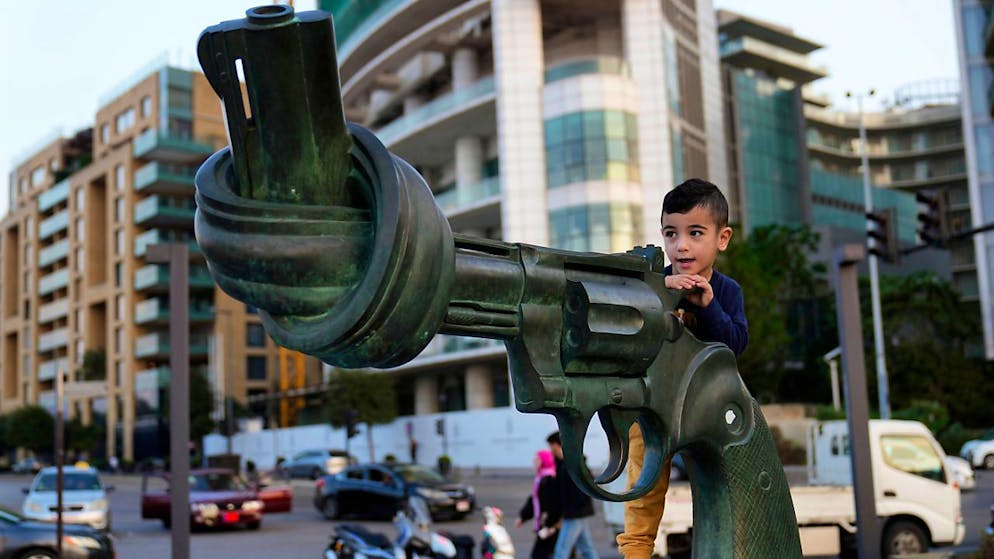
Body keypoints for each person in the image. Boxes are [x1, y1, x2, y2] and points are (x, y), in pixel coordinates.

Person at [616, 178, 749, 559]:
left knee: (724, 483)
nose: (681, 245)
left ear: (722, 239)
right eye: (671, 233)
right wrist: (661, 294)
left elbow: (735, 345)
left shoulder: (727, 291)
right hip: (656, 405)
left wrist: (709, 306)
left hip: (707, 409)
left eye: (695, 232)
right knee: (643, 485)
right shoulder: (653, 283)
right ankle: (636, 552)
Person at [547, 432, 599, 559]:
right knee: (586, 549)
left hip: (574, 514)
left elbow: (583, 490)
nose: (551, 450)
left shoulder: (574, 466)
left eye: (552, 446)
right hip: (576, 513)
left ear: (559, 445)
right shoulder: (565, 465)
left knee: (562, 549)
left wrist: (568, 512)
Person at [515, 449, 560, 559]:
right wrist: (523, 517)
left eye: (537, 459)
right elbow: (534, 500)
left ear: (544, 461)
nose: (534, 461)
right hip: (548, 523)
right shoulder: (541, 478)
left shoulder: (549, 479)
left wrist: (549, 525)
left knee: (540, 554)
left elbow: (552, 504)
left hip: (550, 524)